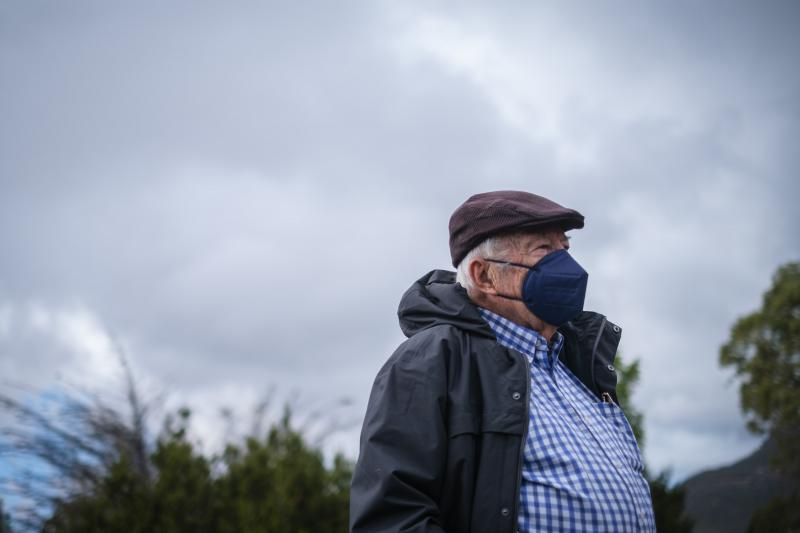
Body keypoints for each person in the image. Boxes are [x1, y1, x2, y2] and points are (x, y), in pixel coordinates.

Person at [349, 191, 655, 533]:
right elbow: (392, 520)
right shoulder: (431, 361)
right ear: (483, 276)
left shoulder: (576, 365)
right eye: (543, 250)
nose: (568, 267)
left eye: (565, 248)